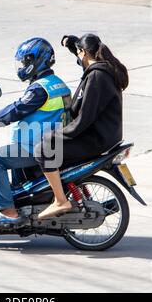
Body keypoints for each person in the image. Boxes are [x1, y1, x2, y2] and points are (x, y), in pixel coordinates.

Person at [0, 37, 71, 226]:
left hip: (37, 146)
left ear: (37, 60)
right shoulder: (57, 83)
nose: (23, 66)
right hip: (50, 143)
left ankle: (8, 211)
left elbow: (16, 110)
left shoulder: (41, 89)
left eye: (26, 61)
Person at [35, 33, 129, 219]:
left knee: (44, 148)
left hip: (96, 138)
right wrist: (73, 45)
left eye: (79, 52)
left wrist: (56, 135)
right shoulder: (105, 69)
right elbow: (84, 62)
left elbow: (84, 119)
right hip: (107, 136)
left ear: (84, 53)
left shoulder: (96, 77)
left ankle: (60, 200)